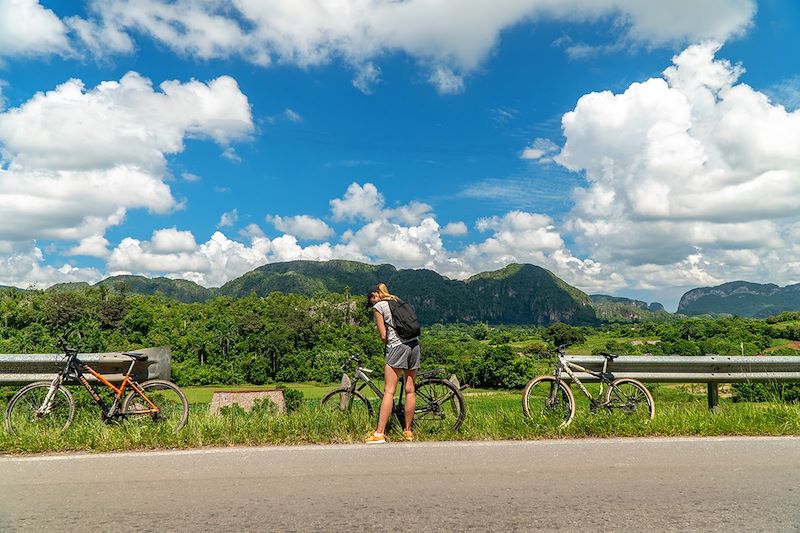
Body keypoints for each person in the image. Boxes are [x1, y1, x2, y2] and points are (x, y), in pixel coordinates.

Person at [364, 283, 420, 444]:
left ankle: (379, 433)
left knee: (389, 391)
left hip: (397, 347)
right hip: (415, 345)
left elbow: (383, 335)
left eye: (371, 300)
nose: (372, 304)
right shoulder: (397, 300)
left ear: (375, 295)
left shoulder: (379, 306)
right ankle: (408, 431)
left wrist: (388, 346)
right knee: (410, 390)